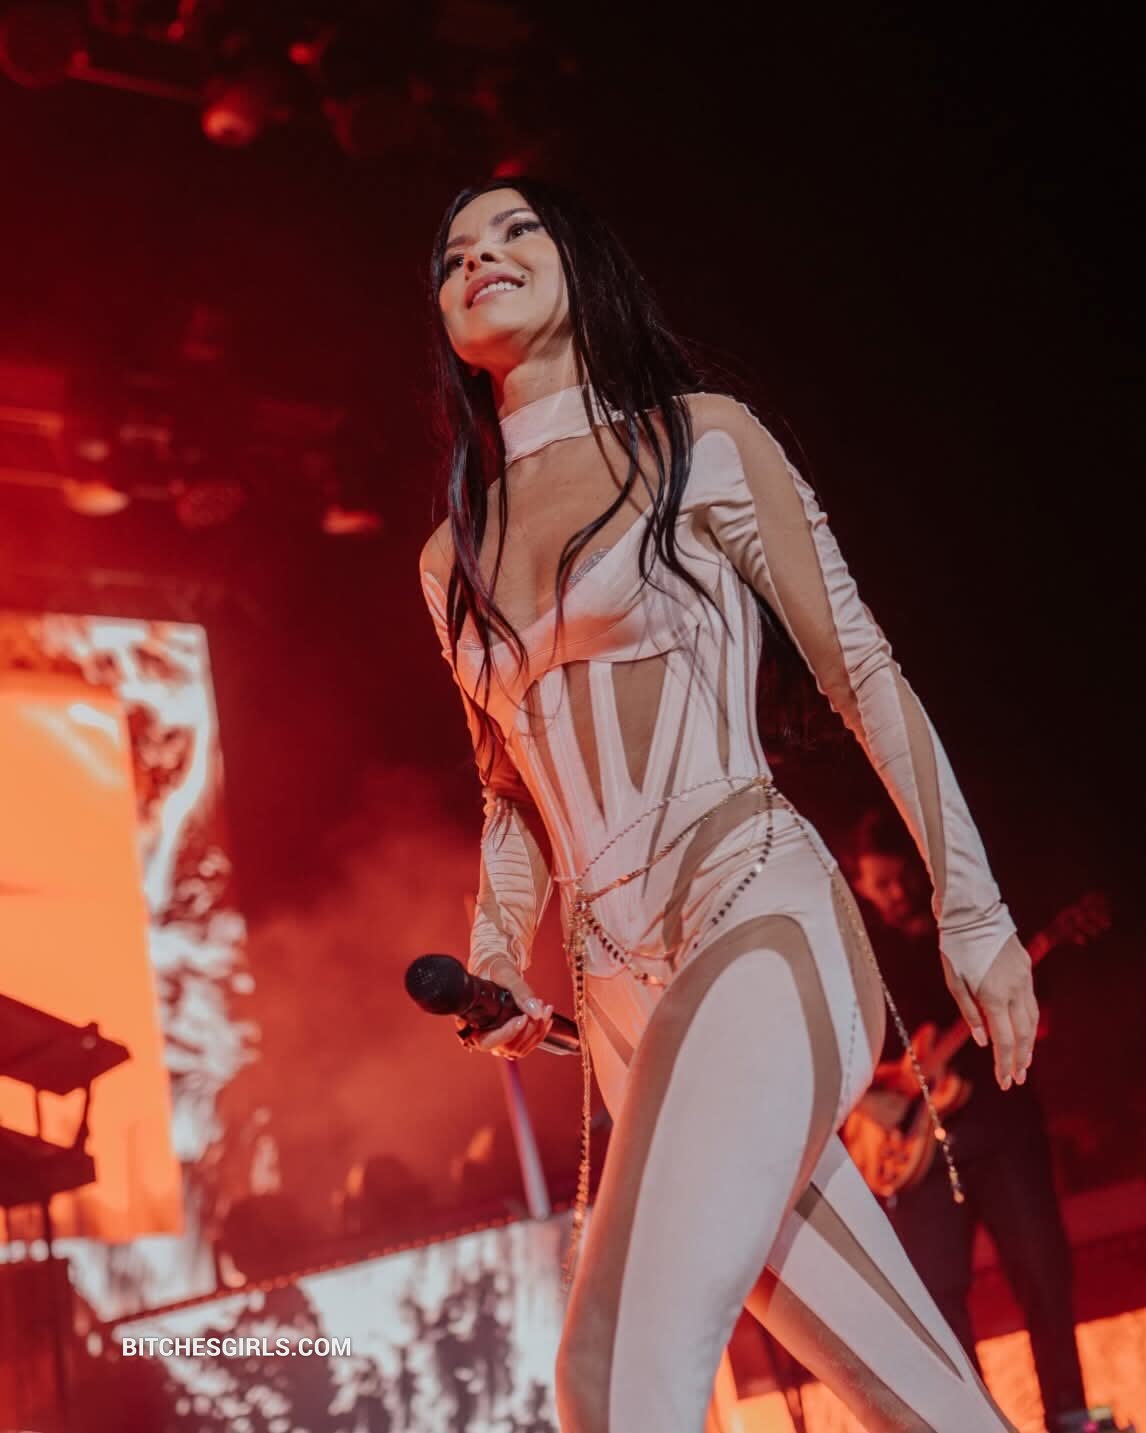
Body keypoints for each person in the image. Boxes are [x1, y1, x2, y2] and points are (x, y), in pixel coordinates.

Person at [418, 175, 1037, 1431]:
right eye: (454, 253)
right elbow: (509, 792)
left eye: (515, 230)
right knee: (929, 1406)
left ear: (582, 266)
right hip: (622, 1008)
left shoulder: (699, 441)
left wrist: (974, 909)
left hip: (757, 922)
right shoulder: (448, 557)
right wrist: (494, 954)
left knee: (609, 1378)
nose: (480, 256)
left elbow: (863, 672)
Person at [843, 805, 1088, 1431]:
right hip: (916, 1152)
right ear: (861, 885)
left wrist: (1023, 1016)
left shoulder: (967, 929)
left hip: (1002, 1129)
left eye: (900, 877)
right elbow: (837, 1056)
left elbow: (1034, 1016)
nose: (894, 893)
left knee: (1043, 1271)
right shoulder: (859, 957)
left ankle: (1069, 1416)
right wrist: (894, 1078)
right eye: (879, 883)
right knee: (936, 1299)